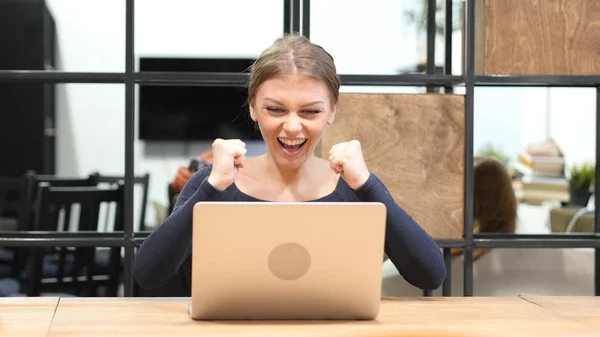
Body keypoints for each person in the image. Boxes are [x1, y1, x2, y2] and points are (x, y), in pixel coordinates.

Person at [133, 34, 446, 292]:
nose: (293, 127)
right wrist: (212, 187)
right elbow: (148, 274)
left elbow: (430, 275)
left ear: (332, 112)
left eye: (310, 112)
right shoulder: (214, 184)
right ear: (253, 107)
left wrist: (368, 185)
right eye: (276, 110)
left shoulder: (354, 188)